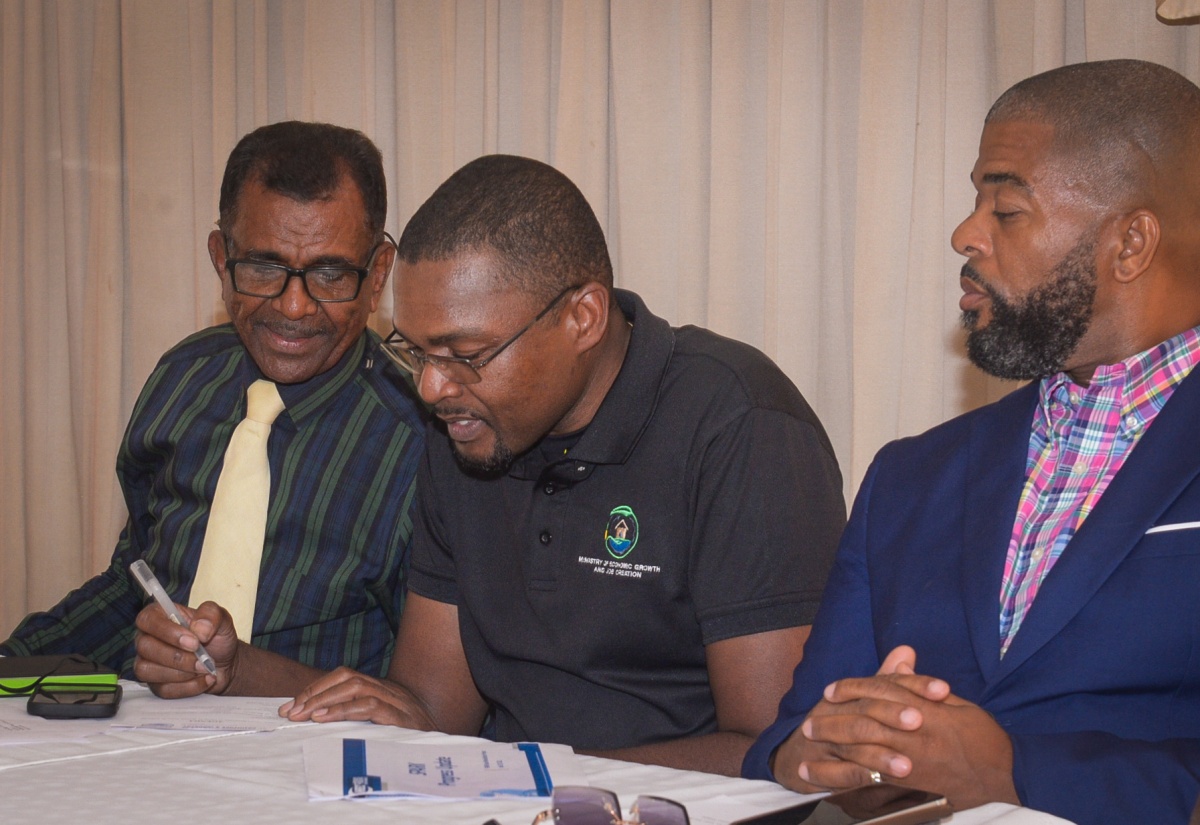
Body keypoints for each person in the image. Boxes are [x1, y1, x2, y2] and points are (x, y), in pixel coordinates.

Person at [266, 154, 846, 777]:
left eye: (466, 352)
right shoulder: (467, 423)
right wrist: (388, 715)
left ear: (583, 318)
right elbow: (436, 710)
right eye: (417, 351)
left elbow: (774, 749)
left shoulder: (738, 425)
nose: (432, 387)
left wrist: (525, 776)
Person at [743, 59, 1200, 823]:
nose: (964, 235)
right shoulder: (909, 475)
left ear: (1130, 244)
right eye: (973, 200)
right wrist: (809, 752)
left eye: (1007, 209)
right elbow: (792, 731)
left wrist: (1019, 772)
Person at [1, 122, 426, 697]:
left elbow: (421, 704)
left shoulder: (424, 436)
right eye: (263, 268)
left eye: (330, 273)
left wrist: (247, 676)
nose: (294, 307)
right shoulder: (184, 380)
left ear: (376, 277)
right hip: (147, 738)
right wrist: (13, 660)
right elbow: (132, 585)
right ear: (220, 258)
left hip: (318, 760)